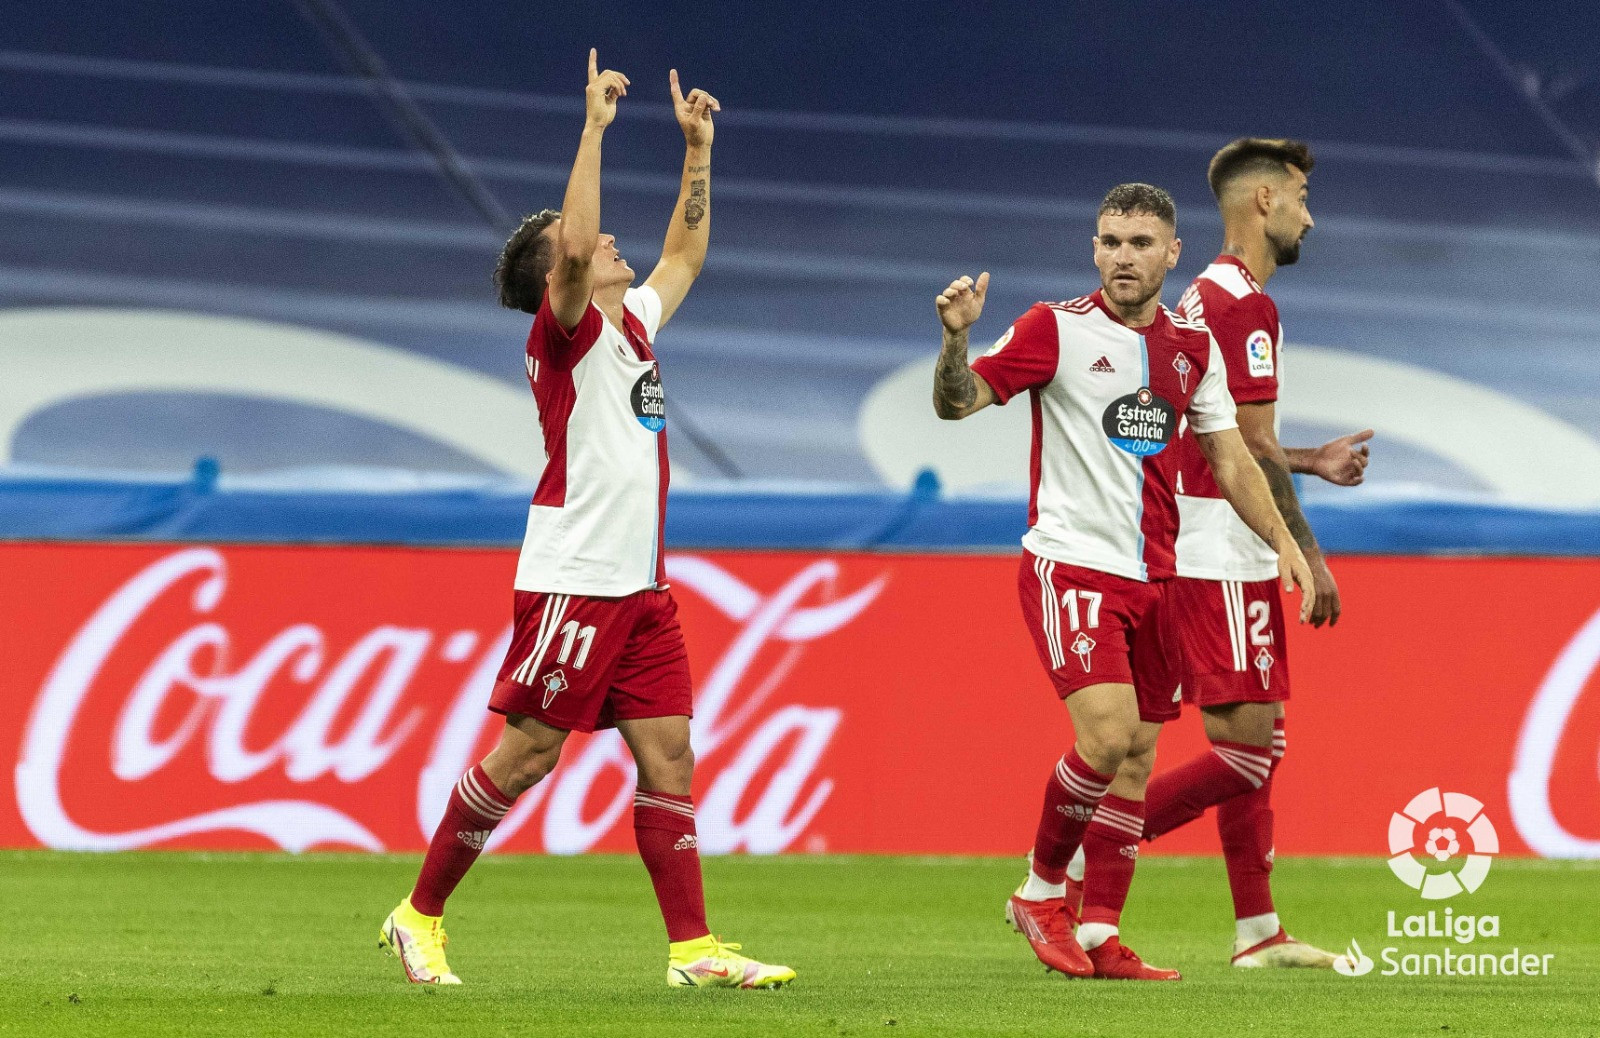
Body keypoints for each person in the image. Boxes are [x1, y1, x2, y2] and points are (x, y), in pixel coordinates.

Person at [379, 50, 793, 990]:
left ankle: (692, 952)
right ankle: (417, 915)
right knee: (526, 757)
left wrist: (698, 153)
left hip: (640, 587)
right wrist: (596, 130)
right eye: (594, 245)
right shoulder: (561, 333)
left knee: (671, 755)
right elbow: (573, 246)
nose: (613, 246)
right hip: (576, 579)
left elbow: (686, 251)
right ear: (557, 275)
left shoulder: (635, 320)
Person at [933, 182, 1315, 981]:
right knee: (1106, 736)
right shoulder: (1056, 329)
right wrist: (954, 343)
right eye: (1109, 241)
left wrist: (1284, 542)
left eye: (1140, 244)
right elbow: (958, 404)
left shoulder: (1190, 346)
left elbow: (1229, 456)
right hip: (1071, 563)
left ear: (1172, 253)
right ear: (1094, 248)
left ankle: (1102, 933)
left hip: (1158, 578)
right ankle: (1042, 894)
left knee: (1137, 758)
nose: (1122, 257)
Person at [1066, 139, 1371, 968]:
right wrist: (1307, 550)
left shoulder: (1200, 299)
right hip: (1218, 547)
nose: (1311, 213)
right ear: (1264, 202)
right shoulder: (1243, 308)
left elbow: (1226, 434)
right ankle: (1070, 867)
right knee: (1244, 750)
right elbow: (1256, 447)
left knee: (1220, 743)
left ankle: (1254, 929)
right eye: (1303, 195)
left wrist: (1303, 466)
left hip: (1178, 540)